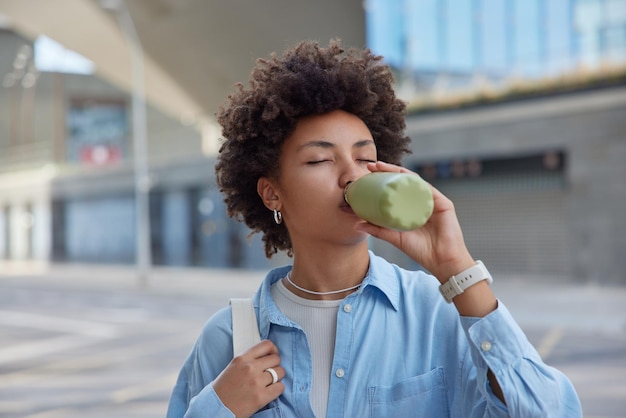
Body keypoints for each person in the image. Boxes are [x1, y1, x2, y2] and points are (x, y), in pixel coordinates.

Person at [166, 40, 582, 418]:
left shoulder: (437, 311)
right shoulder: (228, 336)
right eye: (319, 160)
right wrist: (217, 409)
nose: (353, 177)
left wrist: (457, 269)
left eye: (366, 158)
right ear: (272, 193)